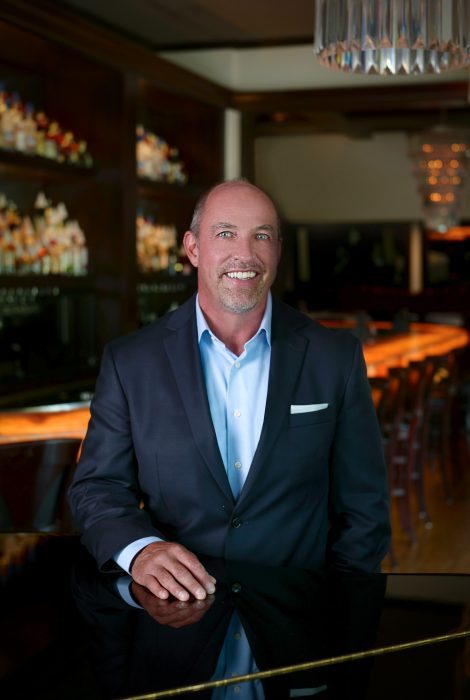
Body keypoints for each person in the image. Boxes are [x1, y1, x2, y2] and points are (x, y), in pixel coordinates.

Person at [69, 178, 390, 604]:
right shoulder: (130, 363)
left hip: (297, 624)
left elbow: (365, 506)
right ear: (193, 248)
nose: (245, 253)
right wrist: (140, 551)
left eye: (261, 236)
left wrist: (337, 606)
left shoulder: (335, 357)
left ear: (277, 250)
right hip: (175, 625)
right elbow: (97, 488)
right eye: (225, 234)